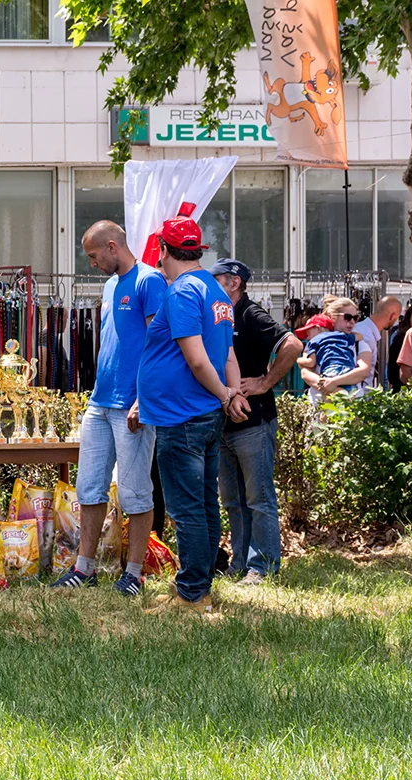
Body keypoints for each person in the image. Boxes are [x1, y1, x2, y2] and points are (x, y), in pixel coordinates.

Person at [136, 217, 249, 614]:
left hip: (183, 417)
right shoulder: (216, 291)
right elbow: (228, 356)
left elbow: (199, 360)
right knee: (202, 505)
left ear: (163, 251)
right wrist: (231, 393)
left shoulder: (182, 291)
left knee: (188, 511)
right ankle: (198, 587)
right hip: (200, 415)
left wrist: (223, 395)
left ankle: (192, 595)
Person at [52, 221, 166, 597]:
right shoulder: (110, 285)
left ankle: (133, 573)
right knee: (88, 488)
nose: (92, 263)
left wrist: (143, 398)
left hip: (132, 405)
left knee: (135, 493)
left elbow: (158, 345)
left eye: (93, 255)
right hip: (100, 402)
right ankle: (84, 569)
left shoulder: (149, 281)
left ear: (112, 246)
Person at [208, 258, 303, 585]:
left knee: (258, 499)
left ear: (234, 282)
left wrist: (266, 382)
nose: (210, 285)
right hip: (225, 423)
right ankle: (240, 564)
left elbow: (293, 344)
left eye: (217, 278)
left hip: (254, 422)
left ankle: (263, 566)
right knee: (233, 501)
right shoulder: (219, 315)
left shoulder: (250, 313)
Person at [296, 296, 372, 404]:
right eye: (348, 317)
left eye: (355, 318)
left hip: (352, 404)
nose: (352, 322)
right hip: (319, 402)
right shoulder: (317, 341)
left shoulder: (359, 344)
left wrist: (334, 382)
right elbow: (305, 373)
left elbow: (363, 371)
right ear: (333, 317)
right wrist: (327, 385)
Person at [353, 295, 401, 390]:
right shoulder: (366, 336)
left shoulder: (363, 329)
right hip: (358, 394)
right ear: (392, 316)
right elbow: (359, 372)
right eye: (396, 319)